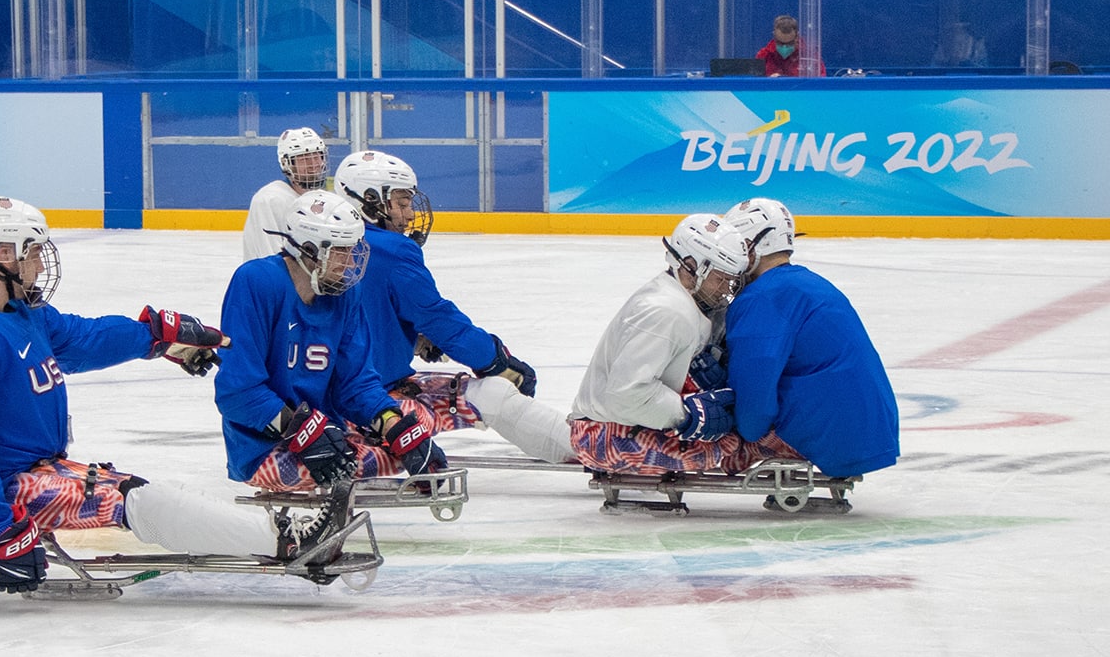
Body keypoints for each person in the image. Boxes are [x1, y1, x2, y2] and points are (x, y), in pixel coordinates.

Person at [0, 195, 352, 595]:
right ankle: (288, 541)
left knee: (143, 492)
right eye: (32, 252)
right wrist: (2, 533)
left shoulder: (20, 313)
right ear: (3, 254)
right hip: (9, 490)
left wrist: (156, 336)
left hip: (43, 469)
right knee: (140, 500)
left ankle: (275, 533)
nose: (38, 264)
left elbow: (83, 338)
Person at [468, 213, 801, 476]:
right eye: (721, 276)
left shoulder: (691, 300)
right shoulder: (666, 312)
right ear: (690, 266)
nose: (728, 286)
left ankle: (497, 402)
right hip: (605, 434)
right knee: (728, 448)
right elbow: (627, 395)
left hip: (617, 423)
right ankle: (493, 402)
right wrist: (687, 414)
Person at [215, 188, 448, 493]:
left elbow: (357, 384)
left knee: (412, 429)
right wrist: (301, 430)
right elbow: (237, 392)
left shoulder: (345, 293)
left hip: (325, 431)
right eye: (341, 250)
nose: (351, 261)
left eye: (354, 249)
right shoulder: (257, 282)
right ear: (308, 249)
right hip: (262, 446)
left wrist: (397, 428)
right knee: (366, 461)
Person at [333, 149, 537, 444]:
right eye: (402, 203)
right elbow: (436, 317)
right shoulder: (393, 250)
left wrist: (415, 339)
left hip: (325, 397)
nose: (410, 213)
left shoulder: (326, 248)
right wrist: (493, 359)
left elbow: (364, 315)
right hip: (375, 400)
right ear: (369, 201)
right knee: (497, 394)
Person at [722, 197, 899, 478]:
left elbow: (754, 393)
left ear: (753, 246)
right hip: (865, 428)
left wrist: (739, 431)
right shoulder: (808, 282)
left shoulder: (762, 297)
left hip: (833, 432)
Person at [241, 127, 328, 261]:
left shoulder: (321, 198)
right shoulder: (269, 200)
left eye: (317, 156)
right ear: (286, 163)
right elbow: (270, 258)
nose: (314, 164)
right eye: (305, 159)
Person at [755, 15, 825, 77]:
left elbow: (821, 81)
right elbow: (755, 84)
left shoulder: (809, 56)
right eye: (780, 43)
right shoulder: (764, 56)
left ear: (797, 37)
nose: (784, 47)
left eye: (789, 43)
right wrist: (769, 81)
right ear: (774, 36)